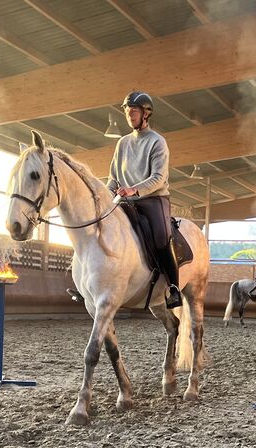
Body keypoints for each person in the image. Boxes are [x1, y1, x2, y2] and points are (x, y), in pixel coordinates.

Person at [106, 91, 182, 309]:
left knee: (160, 236)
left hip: (152, 199)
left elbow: (158, 178)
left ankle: (174, 287)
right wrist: (105, 196)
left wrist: (133, 190)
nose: (129, 115)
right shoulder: (122, 143)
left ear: (146, 114)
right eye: (127, 111)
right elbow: (113, 178)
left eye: (134, 111)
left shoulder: (157, 142)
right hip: (124, 199)